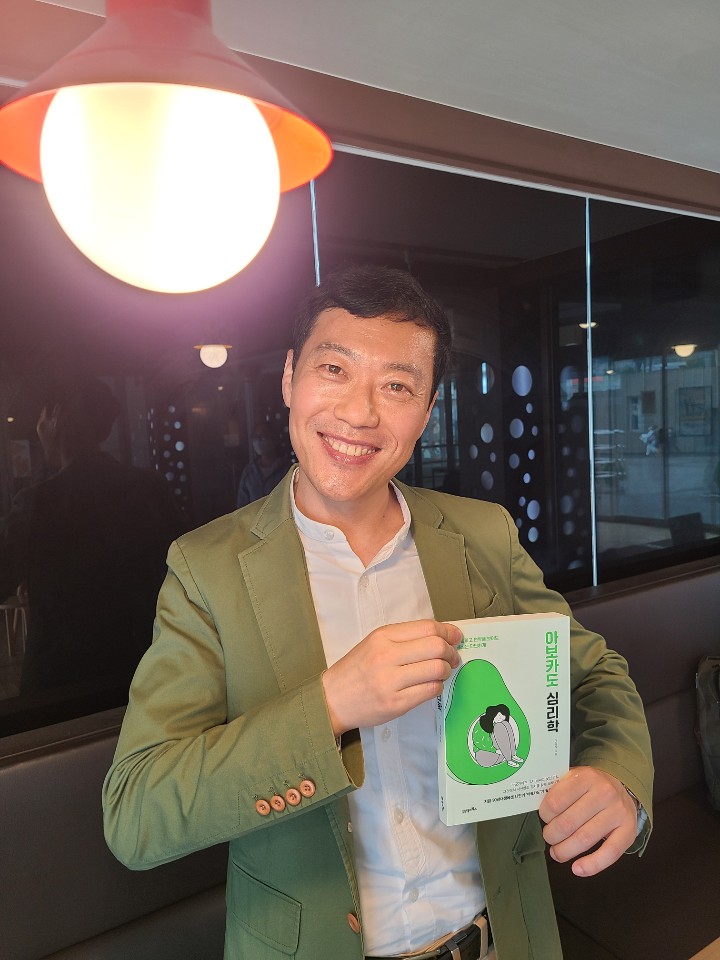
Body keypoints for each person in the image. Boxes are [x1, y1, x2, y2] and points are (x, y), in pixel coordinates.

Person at [103, 266, 653, 960]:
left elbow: (595, 675)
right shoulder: (207, 569)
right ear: (289, 378)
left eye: (397, 386)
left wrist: (619, 778)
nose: (361, 413)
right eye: (334, 369)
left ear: (427, 411)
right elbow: (137, 814)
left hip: (500, 939)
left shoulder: (483, 535)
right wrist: (330, 705)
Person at [0, 376, 185, 695]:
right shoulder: (148, 488)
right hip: (144, 668)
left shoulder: (38, 503)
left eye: (42, 414)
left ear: (56, 415)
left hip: (61, 681)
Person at [235, 420, 289, 508]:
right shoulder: (249, 471)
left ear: (274, 439)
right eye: (256, 437)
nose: (259, 441)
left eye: (263, 436)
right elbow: (242, 504)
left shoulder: (286, 470)